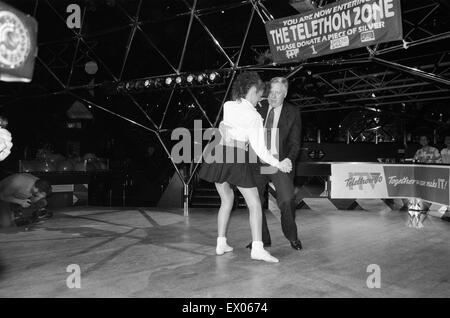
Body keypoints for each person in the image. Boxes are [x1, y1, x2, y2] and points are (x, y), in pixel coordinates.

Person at [198, 72, 292, 263]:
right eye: (260, 95)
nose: (261, 100)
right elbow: (260, 150)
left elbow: (225, 127)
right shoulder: (254, 116)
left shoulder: (228, 105)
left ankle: (221, 243)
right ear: (254, 90)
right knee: (254, 203)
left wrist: (228, 132)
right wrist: (279, 163)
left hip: (217, 154)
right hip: (235, 156)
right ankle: (257, 248)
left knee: (226, 199)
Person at [247, 77, 303, 251]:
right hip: (257, 162)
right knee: (255, 200)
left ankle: (292, 236)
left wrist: (289, 159)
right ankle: (262, 239)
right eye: (270, 92)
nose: (273, 96)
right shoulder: (259, 106)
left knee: (287, 200)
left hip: (279, 162)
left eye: (278, 93)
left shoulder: (293, 112)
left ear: (285, 94)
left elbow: (295, 142)